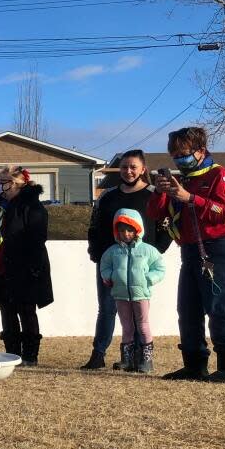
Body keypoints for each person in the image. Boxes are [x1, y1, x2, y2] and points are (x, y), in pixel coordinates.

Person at [147, 127, 225, 382]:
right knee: (188, 307)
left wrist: (191, 197)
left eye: (183, 154)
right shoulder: (185, 179)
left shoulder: (220, 176)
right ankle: (194, 364)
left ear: (201, 151)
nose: (179, 160)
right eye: (174, 156)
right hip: (191, 248)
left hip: (222, 246)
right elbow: (156, 214)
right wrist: (160, 192)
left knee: (218, 305)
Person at [82, 150, 171, 370]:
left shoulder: (153, 194)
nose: (128, 171)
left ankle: (141, 358)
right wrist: (96, 253)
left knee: (139, 314)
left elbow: (166, 226)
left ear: (143, 169)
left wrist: (154, 252)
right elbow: (94, 226)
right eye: (124, 167)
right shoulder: (107, 196)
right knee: (106, 309)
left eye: (133, 167)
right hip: (111, 263)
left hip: (140, 266)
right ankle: (98, 354)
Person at [0, 165, 53, 366]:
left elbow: (37, 238)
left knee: (26, 310)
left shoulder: (31, 206)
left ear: (16, 184)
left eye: (3, 181)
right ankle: (12, 353)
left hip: (24, 269)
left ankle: (30, 355)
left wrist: (33, 267)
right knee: (6, 310)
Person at [99, 209, 165, 373]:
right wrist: (109, 276)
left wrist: (148, 279)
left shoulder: (147, 250)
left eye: (129, 230)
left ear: (137, 230)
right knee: (127, 327)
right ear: (117, 232)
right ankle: (126, 360)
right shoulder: (113, 251)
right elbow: (104, 266)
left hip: (141, 295)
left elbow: (160, 268)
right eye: (122, 230)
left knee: (142, 325)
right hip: (121, 295)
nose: (126, 234)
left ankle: (147, 360)